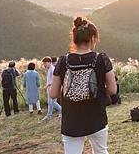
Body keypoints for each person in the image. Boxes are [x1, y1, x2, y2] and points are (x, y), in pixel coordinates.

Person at [50, 17, 117, 154]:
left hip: (71, 120)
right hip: (96, 117)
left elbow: (53, 93)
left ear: (74, 39)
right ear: (93, 38)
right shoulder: (101, 59)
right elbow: (112, 89)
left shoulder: (63, 61)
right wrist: (95, 90)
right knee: (101, 152)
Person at [42, 56, 62, 120]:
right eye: (43, 63)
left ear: (49, 62)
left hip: (53, 89)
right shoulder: (49, 69)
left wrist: (47, 85)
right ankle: (48, 116)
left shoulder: (52, 69)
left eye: (45, 63)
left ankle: (63, 111)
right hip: (50, 89)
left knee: (52, 103)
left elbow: (54, 80)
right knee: (50, 103)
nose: (44, 65)